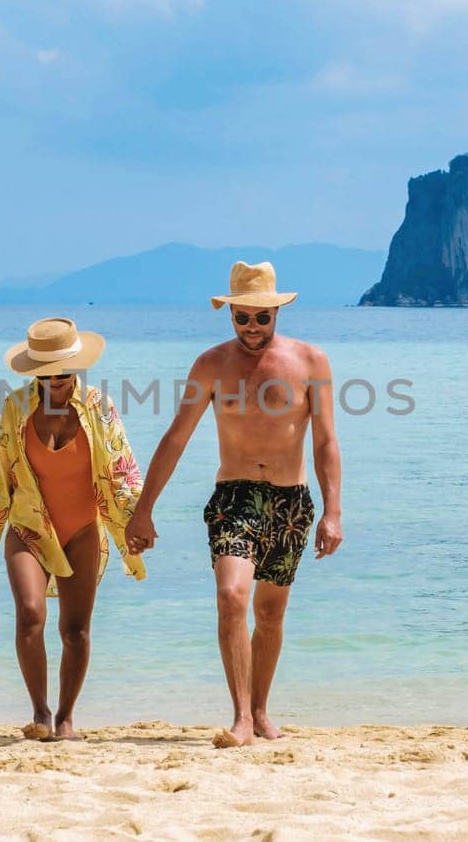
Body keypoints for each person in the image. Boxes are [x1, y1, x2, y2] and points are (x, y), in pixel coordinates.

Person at [126, 261, 343, 748]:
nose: (251, 327)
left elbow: (326, 442)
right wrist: (144, 509)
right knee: (232, 597)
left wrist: (333, 511)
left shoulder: (312, 361)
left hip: (292, 501)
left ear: (276, 313)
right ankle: (242, 718)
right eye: (241, 318)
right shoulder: (210, 365)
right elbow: (176, 439)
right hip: (234, 498)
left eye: (260, 318)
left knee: (269, 614)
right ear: (230, 315)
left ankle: (262, 711)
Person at [0, 317, 147, 741]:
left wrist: (137, 522)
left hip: (82, 528)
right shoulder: (16, 407)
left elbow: (124, 470)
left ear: (76, 366)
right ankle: (40, 713)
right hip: (28, 526)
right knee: (31, 614)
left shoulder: (99, 407)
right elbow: (3, 473)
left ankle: (67, 717)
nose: (54, 379)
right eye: (45, 371)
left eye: (62, 371)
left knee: (76, 630)